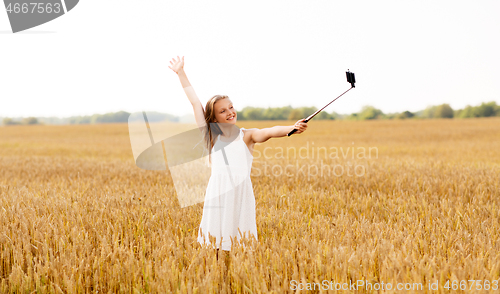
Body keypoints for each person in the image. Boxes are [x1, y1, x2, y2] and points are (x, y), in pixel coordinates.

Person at [168, 56, 308, 253]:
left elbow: (268, 131)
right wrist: (181, 73)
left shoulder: (247, 136)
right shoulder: (211, 135)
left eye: (231, 107)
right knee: (215, 242)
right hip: (218, 193)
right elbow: (194, 102)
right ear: (214, 118)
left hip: (241, 193)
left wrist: (291, 128)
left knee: (240, 243)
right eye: (222, 111)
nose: (230, 112)